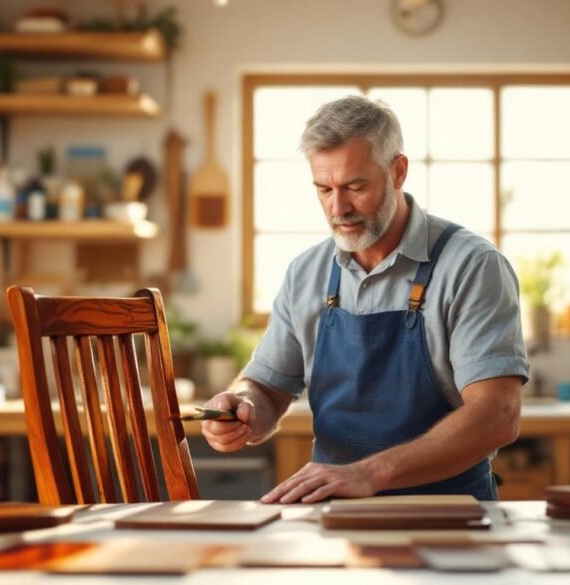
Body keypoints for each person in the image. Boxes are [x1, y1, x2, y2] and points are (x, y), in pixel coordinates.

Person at [201, 95, 529, 504]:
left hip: (449, 514)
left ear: (398, 171)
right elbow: (267, 389)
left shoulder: (472, 266)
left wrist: (370, 473)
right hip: (333, 516)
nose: (338, 208)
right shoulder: (307, 272)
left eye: (355, 187)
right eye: (324, 189)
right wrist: (242, 409)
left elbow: (498, 416)